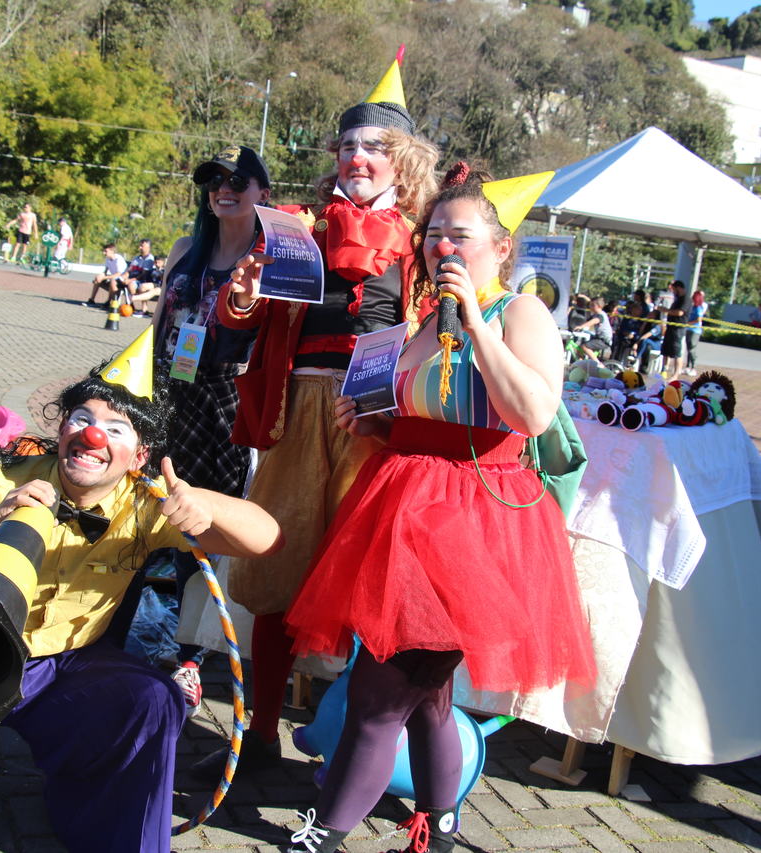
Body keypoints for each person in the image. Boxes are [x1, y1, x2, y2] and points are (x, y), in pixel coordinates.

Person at [0, 354, 283, 853]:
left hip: (70, 665)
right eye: (83, 419)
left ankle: (106, 833)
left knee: (152, 700)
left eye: (117, 429)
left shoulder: (146, 501)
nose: (94, 437)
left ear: (139, 456)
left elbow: (266, 538)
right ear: (63, 427)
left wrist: (207, 505)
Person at [280, 164, 595, 853]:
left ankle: (323, 833)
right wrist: (371, 424)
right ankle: (440, 827)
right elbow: (419, 417)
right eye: (434, 236)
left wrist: (479, 325)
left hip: (478, 527)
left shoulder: (521, 313)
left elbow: (533, 411)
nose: (442, 247)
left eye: (461, 235)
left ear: (500, 247)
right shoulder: (421, 321)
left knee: (378, 694)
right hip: (400, 514)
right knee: (425, 696)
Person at [195, 56, 440, 781]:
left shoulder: (425, 240)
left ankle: (357, 744)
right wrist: (242, 293)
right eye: (347, 146)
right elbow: (241, 327)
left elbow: (442, 336)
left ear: (402, 160)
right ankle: (263, 733)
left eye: (374, 147)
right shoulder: (295, 229)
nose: (357, 158)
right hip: (299, 408)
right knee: (277, 568)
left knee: (373, 585)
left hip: (380, 423)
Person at [148, 144, 270, 716]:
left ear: (261, 191)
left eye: (239, 179)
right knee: (160, 518)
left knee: (208, 529)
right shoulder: (183, 250)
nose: (225, 187)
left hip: (228, 406)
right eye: (215, 179)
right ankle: (152, 638)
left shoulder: (268, 261)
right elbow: (157, 331)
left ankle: (191, 659)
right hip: (175, 399)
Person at [572, 295, 612, 361]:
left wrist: (581, 326)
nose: (590, 307)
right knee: (580, 347)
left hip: (604, 340)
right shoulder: (595, 315)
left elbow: (594, 321)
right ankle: (581, 361)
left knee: (585, 346)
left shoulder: (600, 315)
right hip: (598, 337)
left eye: (592, 305)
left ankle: (597, 363)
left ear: (598, 306)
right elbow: (587, 320)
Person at [661, 279, 687, 377]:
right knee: (665, 350)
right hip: (670, 327)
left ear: (679, 288)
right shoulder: (677, 299)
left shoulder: (685, 299)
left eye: (674, 289)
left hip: (678, 329)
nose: (673, 292)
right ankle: (664, 370)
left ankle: (676, 374)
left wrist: (666, 310)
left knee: (677, 352)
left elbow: (680, 312)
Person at [684, 289, 707, 376]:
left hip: (695, 330)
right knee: (688, 348)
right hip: (689, 329)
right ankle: (687, 366)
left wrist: (688, 323)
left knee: (692, 349)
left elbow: (698, 319)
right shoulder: (693, 307)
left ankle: (693, 367)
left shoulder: (699, 308)